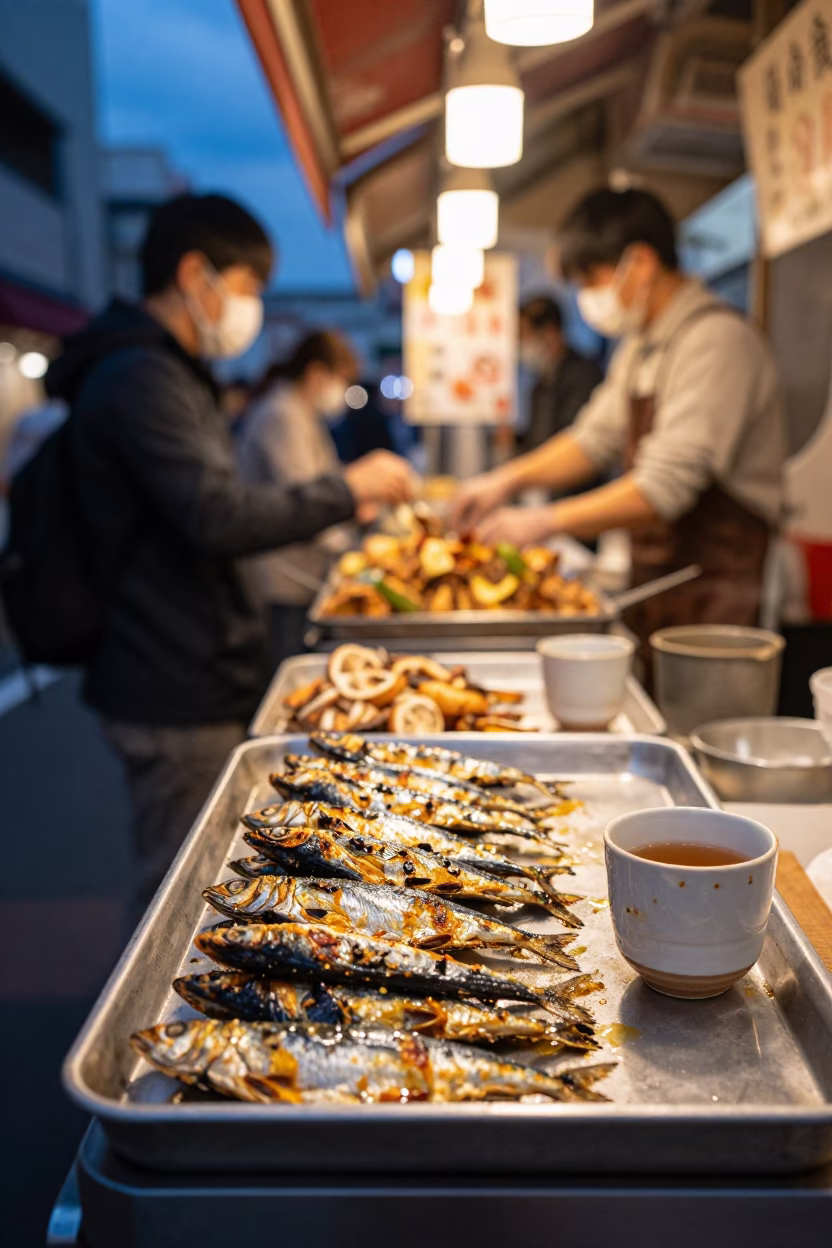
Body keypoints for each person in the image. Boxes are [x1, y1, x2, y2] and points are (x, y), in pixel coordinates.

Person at [45, 193, 413, 918]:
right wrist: (347, 487)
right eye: (247, 289)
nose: (249, 310)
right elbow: (214, 513)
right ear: (195, 274)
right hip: (168, 679)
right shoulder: (141, 378)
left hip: (184, 664)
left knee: (206, 872)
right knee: (184, 894)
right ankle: (145, 1030)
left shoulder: (162, 371)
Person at [452, 188, 785, 679]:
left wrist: (544, 521)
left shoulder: (718, 342)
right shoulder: (640, 348)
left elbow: (661, 489)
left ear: (641, 262)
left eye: (590, 279)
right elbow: (592, 439)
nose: (588, 298)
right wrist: (504, 481)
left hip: (724, 602)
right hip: (660, 588)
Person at [237, 332, 382, 664]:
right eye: (342, 380)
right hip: (280, 578)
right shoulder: (282, 414)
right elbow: (307, 499)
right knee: (288, 665)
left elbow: (324, 480)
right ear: (317, 373)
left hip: (298, 570)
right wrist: (351, 544)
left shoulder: (299, 411)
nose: (343, 392)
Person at [517, 295, 602, 453]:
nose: (521, 343)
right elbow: (536, 440)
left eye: (525, 334)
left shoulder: (583, 377)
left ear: (550, 331)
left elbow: (575, 442)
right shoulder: (542, 382)